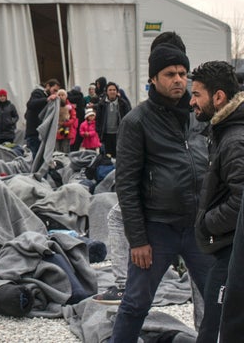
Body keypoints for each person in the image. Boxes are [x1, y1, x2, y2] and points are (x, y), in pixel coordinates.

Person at [110, 42, 213, 342]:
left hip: (197, 228)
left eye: (183, 73)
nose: (179, 80)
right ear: (154, 78)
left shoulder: (198, 117)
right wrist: (138, 239)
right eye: (170, 74)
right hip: (157, 231)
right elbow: (126, 185)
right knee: (136, 302)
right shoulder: (136, 122)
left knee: (218, 299)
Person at [188, 61, 244, 342]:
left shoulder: (234, 139)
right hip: (228, 247)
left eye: (197, 94)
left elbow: (241, 200)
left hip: (232, 250)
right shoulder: (224, 130)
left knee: (214, 326)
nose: (191, 101)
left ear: (218, 97)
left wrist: (208, 222)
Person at [24, 79, 60, 158]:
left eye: (56, 91)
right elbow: (30, 104)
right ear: (47, 86)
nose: (55, 93)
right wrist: (47, 99)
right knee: (34, 157)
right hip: (34, 132)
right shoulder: (37, 92)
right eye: (54, 90)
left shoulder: (45, 96)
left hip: (39, 133)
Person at [96, 82, 131, 158]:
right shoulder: (101, 104)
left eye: (114, 90)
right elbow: (98, 120)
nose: (112, 91)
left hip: (119, 135)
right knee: (106, 157)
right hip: (106, 135)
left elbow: (128, 119)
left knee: (119, 156)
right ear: (106, 92)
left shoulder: (123, 104)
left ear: (117, 91)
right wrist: (98, 133)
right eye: (110, 90)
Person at [54, 88, 77, 154]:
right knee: (57, 150)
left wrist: (65, 123)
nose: (61, 96)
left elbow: (73, 118)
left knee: (66, 150)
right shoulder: (54, 106)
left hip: (67, 131)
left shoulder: (70, 106)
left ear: (66, 96)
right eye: (59, 95)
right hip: (57, 131)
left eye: (62, 95)